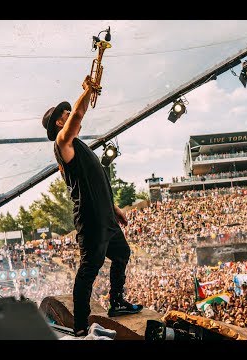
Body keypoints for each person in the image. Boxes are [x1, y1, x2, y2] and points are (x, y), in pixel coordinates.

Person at [41, 75, 142, 337]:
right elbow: (78, 115)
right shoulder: (62, 144)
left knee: (121, 253)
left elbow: (97, 181)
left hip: (104, 214)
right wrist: (87, 92)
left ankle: (117, 302)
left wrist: (115, 207)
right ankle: (81, 325)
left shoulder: (78, 146)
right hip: (91, 218)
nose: (68, 112)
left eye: (67, 110)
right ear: (59, 123)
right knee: (89, 269)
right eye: (65, 112)